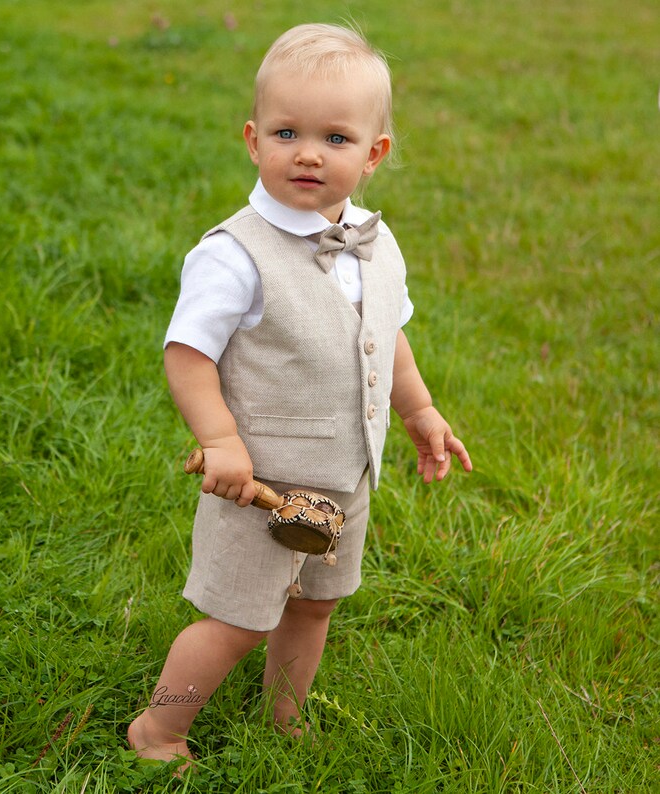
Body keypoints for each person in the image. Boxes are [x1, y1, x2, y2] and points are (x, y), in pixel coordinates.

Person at [128, 22, 472, 769]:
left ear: (373, 154)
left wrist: (419, 412)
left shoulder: (376, 243)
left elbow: (389, 337)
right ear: (254, 140)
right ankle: (159, 726)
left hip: (345, 483)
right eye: (287, 132)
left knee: (315, 605)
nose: (308, 152)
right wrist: (221, 439)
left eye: (336, 138)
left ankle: (284, 715)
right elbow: (188, 355)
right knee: (238, 620)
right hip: (260, 482)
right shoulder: (234, 254)